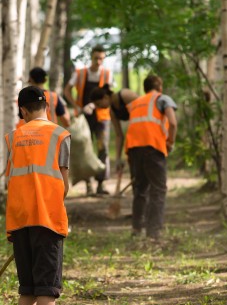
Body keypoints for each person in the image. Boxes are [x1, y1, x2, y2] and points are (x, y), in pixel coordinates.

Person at [5, 86, 73, 305]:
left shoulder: (14, 137)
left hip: (20, 221)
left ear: (22, 110)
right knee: (47, 290)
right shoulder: (60, 135)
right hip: (47, 220)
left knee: (28, 289)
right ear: (47, 106)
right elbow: (64, 183)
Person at [124, 75, 178, 240]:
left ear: (145, 88)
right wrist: (170, 142)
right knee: (158, 189)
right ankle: (153, 233)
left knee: (140, 190)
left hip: (133, 149)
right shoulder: (162, 98)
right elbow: (173, 122)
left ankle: (136, 229)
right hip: (153, 147)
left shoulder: (135, 103)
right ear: (159, 87)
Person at [64, 45, 113, 196]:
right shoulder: (80, 73)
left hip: (102, 117)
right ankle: (88, 184)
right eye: (96, 58)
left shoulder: (107, 74)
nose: (98, 62)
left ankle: (101, 183)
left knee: (102, 147)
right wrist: (77, 106)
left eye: (101, 59)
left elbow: (109, 93)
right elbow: (67, 90)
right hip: (83, 118)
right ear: (91, 57)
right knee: (85, 149)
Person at [87, 85, 139, 174]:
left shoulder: (125, 95)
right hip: (134, 136)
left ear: (105, 97)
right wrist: (118, 158)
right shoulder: (112, 112)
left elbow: (143, 109)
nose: (99, 108)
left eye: (99, 104)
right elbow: (119, 135)